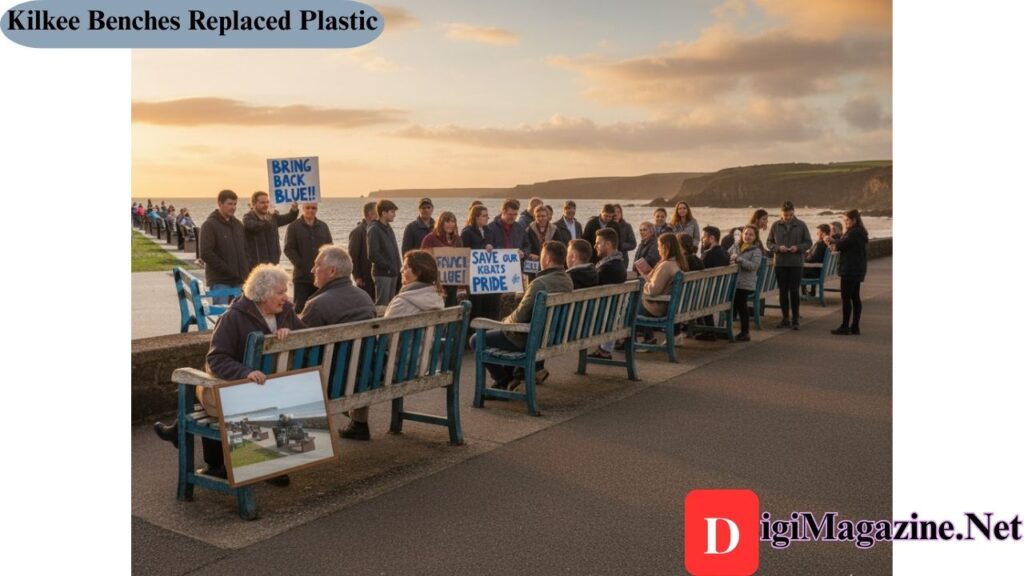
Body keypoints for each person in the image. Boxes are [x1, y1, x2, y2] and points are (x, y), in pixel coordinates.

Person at [153, 265, 304, 482]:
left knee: (204, 386)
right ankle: (271, 467)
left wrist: (292, 333)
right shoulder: (236, 318)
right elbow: (219, 359)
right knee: (211, 385)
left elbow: (215, 360)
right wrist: (246, 371)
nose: (285, 297)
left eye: (285, 292)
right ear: (263, 294)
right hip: (279, 393)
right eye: (280, 292)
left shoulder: (281, 313)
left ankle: (214, 464)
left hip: (253, 396)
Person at [341, 250, 446, 440]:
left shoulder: (403, 301)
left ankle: (358, 422)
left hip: (396, 369)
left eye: (405, 268)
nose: (401, 271)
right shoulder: (437, 298)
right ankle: (356, 418)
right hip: (422, 364)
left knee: (359, 356)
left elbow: (384, 339)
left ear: (418, 272)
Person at [480, 242, 572, 391]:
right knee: (506, 334)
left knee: (477, 339)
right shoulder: (567, 280)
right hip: (551, 336)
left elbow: (519, 317)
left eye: (542, 256)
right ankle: (507, 380)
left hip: (530, 339)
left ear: (547, 259)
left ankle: (504, 380)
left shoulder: (539, 284)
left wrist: (503, 322)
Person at [300, 245, 376, 329]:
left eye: (317, 265)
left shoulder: (316, 306)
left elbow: (300, 336)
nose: (312, 270)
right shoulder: (365, 297)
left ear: (332, 271)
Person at [766, 201, 812, 330]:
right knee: (783, 291)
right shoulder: (775, 225)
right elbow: (769, 242)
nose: (788, 218)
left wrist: (797, 248)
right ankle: (785, 318)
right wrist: (777, 248)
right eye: (785, 215)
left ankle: (795, 319)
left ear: (794, 212)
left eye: (790, 215)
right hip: (780, 263)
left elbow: (808, 242)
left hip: (796, 263)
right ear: (781, 213)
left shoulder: (801, 225)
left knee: (794, 291)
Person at [199, 189, 249, 303]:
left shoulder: (238, 225)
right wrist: (227, 269)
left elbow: (245, 249)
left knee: (239, 312)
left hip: (239, 280)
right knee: (222, 312)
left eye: (235, 204)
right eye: (230, 204)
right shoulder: (209, 225)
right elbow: (206, 253)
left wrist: (246, 270)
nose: (233, 207)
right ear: (220, 204)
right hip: (220, 280)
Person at [283, 202, 333, 313]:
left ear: (317, 209)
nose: (311, 210)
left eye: (313, 208)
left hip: (321, 276)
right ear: (303, 208)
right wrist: (300, 264)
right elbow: (288, 249)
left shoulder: (323, 226)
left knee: (320, 308)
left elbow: (329, 248)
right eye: (308, 208)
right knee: (300, 309)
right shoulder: (293, 227)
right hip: (302, 277)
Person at [638, 233, 686, 344]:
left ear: (665, 248)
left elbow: (653, 291)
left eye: (659, 246)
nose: (658, 249)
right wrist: (648, 277)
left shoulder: (666, 265)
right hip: (673, 306)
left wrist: (643, 285)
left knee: (630, 306)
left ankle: (646, 339)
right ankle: (673, 335)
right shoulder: (679, 262)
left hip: (659, 308)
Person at [829, 210, 869, 335]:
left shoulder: (853, 233)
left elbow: (839, 246)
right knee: (855, 298)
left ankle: (845, 326)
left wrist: (830, 240)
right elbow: (843, 244)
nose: (845, 222)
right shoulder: (860, 232)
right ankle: (855, 327)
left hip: (850, 270)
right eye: (844, 220)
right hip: (857, 269)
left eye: (847, 220)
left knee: (846, 298)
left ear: (854, 220)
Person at [590, 228, 627, 359]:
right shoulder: (619, 264)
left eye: (598, 243)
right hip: (614, 315)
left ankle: (604, 349)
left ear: (608, 244)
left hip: (601, 318)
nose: (595, 246)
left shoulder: (607, 268)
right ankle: (605, 348)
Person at [243, 191, 299, 271]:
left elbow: (289, 218)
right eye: (262, 202)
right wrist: (268, 217)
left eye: (267, 202)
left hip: (273, 264)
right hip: (256, 267)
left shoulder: (273, 217)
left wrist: (294, 210)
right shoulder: (248, 218)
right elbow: (253, 226)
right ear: (254, 203)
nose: (266, 205)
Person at [421, 210, 463, 306]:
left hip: (452, 281)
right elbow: (423, 259)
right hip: (436, 282)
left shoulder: (458, 239)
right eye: (447, 221)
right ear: (441, 223)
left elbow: (462, 260)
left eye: (453, 222)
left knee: (451, 305)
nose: (451, 224)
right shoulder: (430, 238)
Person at [731, 226, 764, 342]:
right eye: (745, 234)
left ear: (755, 237)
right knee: (730, 302)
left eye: (751, 234)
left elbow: (754, 266)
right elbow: (726, 255)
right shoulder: (736, 246)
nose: (747, 236)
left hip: (746, 283)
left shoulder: (756, 251)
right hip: (733, 282)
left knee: (741, 303)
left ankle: (745, 332)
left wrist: (740, 260)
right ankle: (726, 329)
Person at [368, 199, 402, 305]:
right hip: (383, 274)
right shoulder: (374, 229)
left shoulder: (388, 228)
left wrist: (398, 268)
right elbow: (373, 254)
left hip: (393, 273)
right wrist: (389, 267)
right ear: (383, 213)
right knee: (382, 305)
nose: (394, 215)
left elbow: (394, 250)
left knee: (391, 305)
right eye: (392, 212)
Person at [527, 205, 570, 279]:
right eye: (538, 216)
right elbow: (526, 245)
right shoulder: (529, 230)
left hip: (550, 263)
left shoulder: (554, 229)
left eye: (543, 216)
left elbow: (560, 247)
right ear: (535, 217)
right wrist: (529, 254)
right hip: (533, 264)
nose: (541, 218)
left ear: (547, 216)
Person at [348, 201, 378, 300]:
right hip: (365, 279)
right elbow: (353, 256)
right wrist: (357, 276)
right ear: (370, 214)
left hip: (376, 276)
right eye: (378, 212)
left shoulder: (377, 230)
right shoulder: (358, 232)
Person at [488, 198, 530, 265]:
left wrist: (524, 253)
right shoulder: (490, 228)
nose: (513, 217)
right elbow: (484, 246)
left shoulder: (520, 228)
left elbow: (527, 245)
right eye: (510, 214)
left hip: (515, 266)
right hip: (496, 265)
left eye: (515, 214)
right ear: (503, 212)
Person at [802, 224, 832, 296]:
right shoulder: (824, 244)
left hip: (813, 272)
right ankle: (809, 292)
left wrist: (802, 259)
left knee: (793, 270)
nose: (817, 233)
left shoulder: (820, 244)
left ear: (823, 233)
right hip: (817, 271)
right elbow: (813, 256)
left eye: (818, 232)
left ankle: (803, 293)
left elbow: (812, 258)